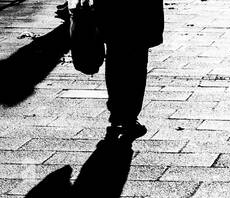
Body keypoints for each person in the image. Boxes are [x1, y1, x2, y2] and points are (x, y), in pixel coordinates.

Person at [57, 0, 164, 139]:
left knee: (115, 56)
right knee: (137, 60)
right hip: (138, 11)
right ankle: (129, 117)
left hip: (111, 9)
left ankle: (117, 112)